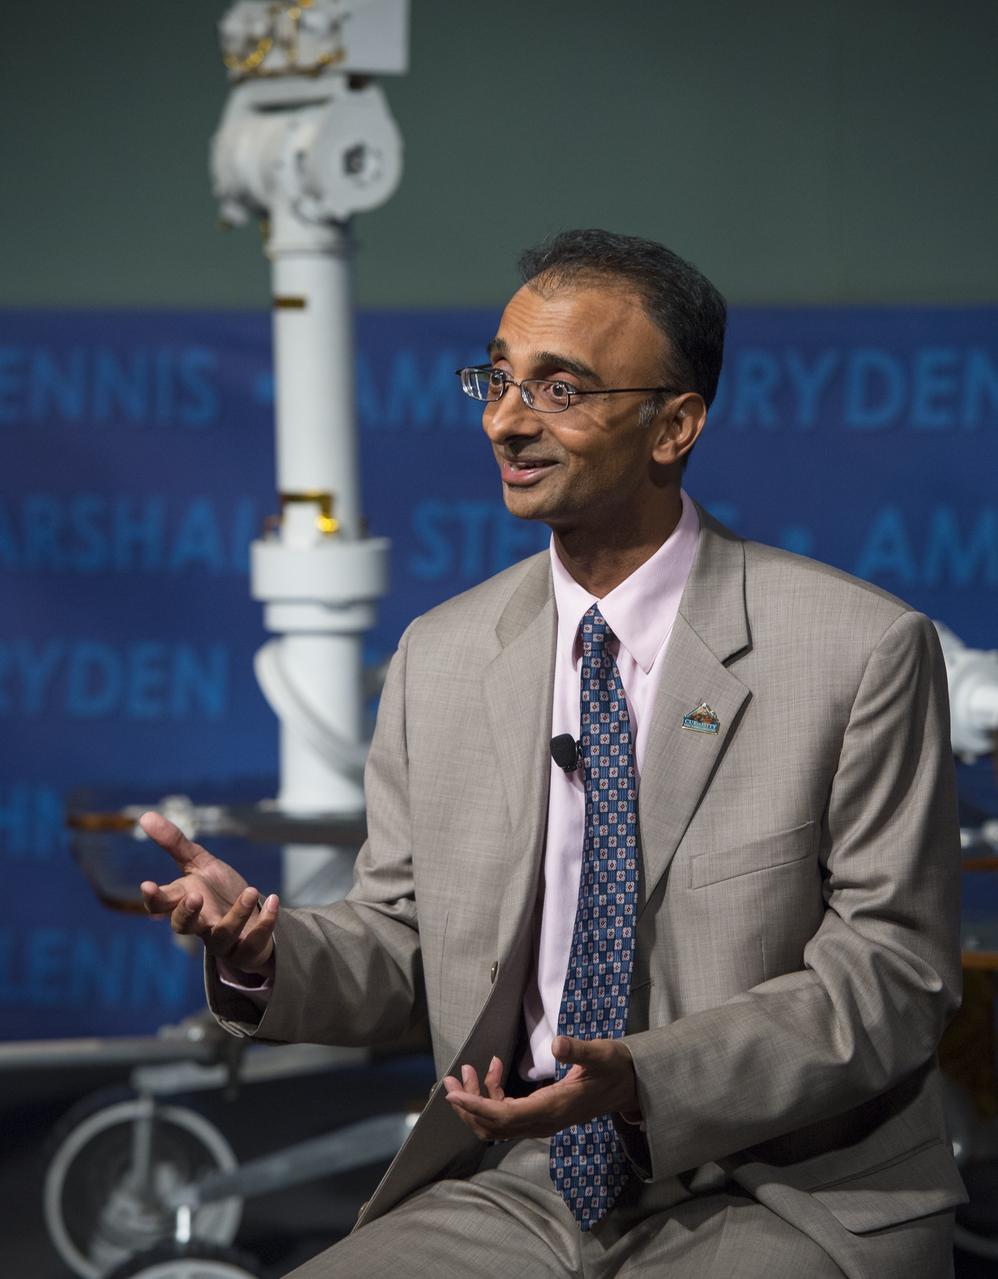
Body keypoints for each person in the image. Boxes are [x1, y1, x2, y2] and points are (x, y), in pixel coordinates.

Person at [139, 229, 967, 1278]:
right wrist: (264, 953)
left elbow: (891, 975)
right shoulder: (438, 659)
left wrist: (644, 1078)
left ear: (673, 425)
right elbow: (406, 949)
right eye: (497, 376)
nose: (505, 420)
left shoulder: (856, 650)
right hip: (520, 1183)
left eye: (559, 388)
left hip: (785, 1190)